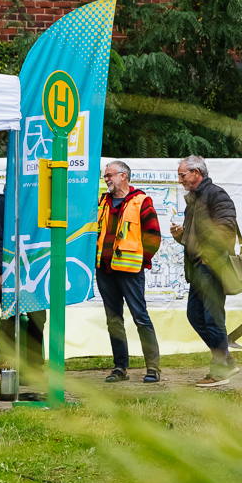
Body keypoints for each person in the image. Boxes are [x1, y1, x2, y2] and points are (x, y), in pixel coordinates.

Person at [171, 155, 240, 387]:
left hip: (211, 267)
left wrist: (207, 255)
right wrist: (182, 236)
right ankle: (226, 360)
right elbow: (195, 239)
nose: (179, 179)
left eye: (183, 175)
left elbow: (227, 229)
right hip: (198, 269)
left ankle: (220, 371)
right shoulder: (194, 200)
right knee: (195, 316)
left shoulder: (216, 195)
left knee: (213, 319)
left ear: (196, 173)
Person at [95, 161, 163, 383]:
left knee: (140, 317)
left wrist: (142, 260)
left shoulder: (142, 201)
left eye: (109, 175)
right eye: (105, 176)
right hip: (105, 270)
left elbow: (153, 237)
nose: (106, 179)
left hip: (130, 271)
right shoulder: (101, 201)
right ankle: (119, 368)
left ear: (123, 176)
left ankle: (153, 368)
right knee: (113, 320)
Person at [0, 191, 44, 384]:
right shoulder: (1, 203)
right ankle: (9, 367)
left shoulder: (33, 202)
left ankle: (34, 369)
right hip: (8, 270)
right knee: (10, 319)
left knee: (38, 317)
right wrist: (1, 272)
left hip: (32, 267)